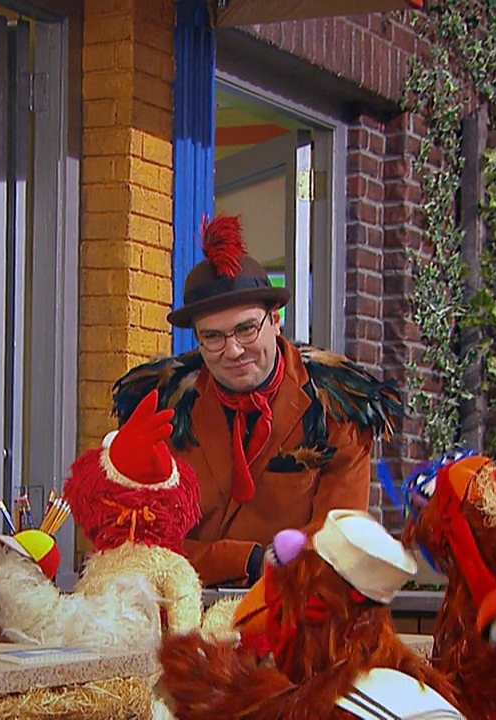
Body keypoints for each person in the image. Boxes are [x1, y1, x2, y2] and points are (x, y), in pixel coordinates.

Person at [111, 215, 401, 587]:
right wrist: (244, 560)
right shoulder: (162, 405)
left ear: (275, 320)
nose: (233, 350)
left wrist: (271, 567)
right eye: (213, 336)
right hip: (181, 605)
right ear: (198, 339)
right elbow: (140, 542)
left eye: (247, 328)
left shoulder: (339, 405)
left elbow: (336, 542)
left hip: (291, 606)